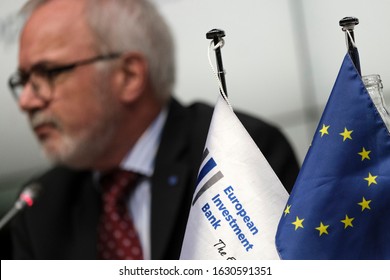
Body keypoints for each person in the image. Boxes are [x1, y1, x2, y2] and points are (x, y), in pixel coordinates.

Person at [8, 0, 299, 260]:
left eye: (48, 73)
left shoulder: (239, 151)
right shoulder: (39, 206)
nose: (26, 101)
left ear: (129, 76)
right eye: (23, 80)